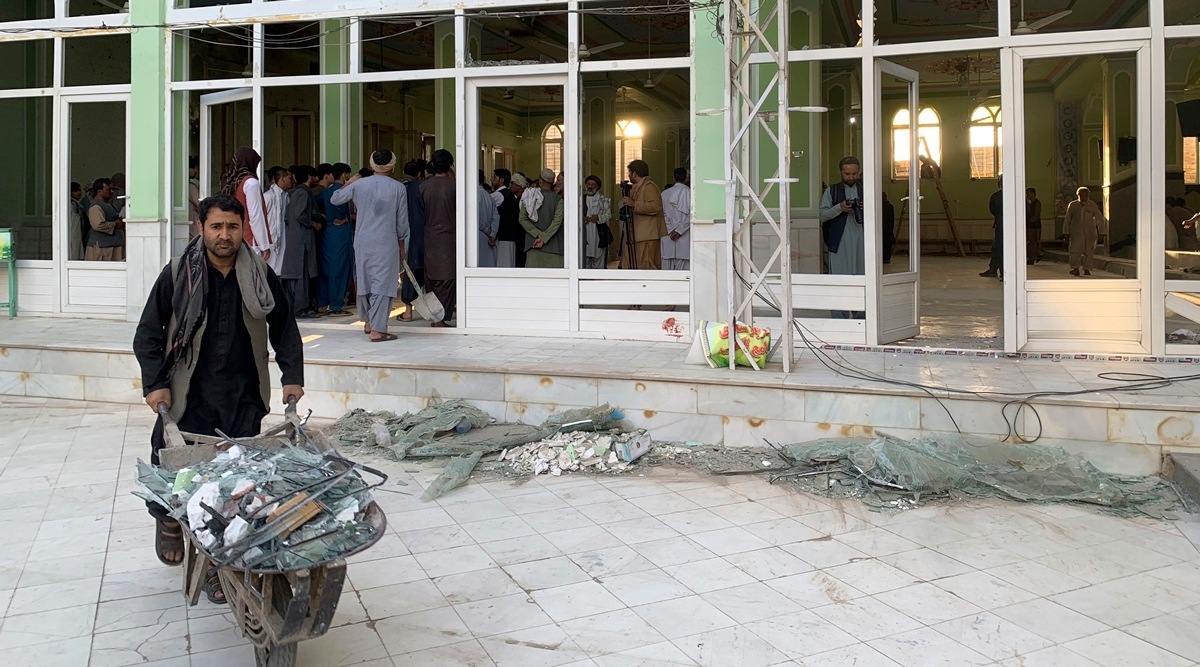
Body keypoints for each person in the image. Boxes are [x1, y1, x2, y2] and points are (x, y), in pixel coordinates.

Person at [133, 193, 304, 602]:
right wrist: (155, 383)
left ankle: (218, 565)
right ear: (201, 229)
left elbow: (284, 328)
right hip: (189, 391)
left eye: (232, 227)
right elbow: (148, 334)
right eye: (216, 227)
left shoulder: (260, 273)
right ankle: (168, 520)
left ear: (242, 229)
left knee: (232, 486)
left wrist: (291, 377)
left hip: (243, 392)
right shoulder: (178, 273)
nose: (224, 235)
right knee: (174, 467)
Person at [331, 149, 410, 341]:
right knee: (383, 284)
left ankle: (368, 322)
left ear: (372, 163)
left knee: (364, 281)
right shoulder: (398, 188)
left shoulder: (360, 185)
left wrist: (349, 182)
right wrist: (401, 245)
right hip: (387, 241)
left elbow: (335, 199)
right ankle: (377, 330)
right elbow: (402, 222)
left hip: (362, 241)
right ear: (392, 164)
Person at [818, 156, 865, 318]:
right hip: (838, 245)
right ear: (841, 173)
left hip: (863, 245)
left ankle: (862, 321)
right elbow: (822, 215)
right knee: (839, 282)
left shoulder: (867, 189)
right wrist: (839, 208)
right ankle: (839, 320)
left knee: (862, 281)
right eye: (847, 174)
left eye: (854, 173)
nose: (851, 177)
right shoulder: (831, 191)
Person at [421, 149, 457, 327]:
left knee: (432, 278)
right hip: (449, 238)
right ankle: (440, 319)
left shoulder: (424, 186)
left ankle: (435, 317)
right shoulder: (454, 186)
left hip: (428, 237)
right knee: (447, 279)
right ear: (450, 165)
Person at [281, 165, 323, 316]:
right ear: (309, 177)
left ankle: (295, 307)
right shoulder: (303, 194)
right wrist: (314, 224)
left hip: (293, 237)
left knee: (295, 274)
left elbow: (287, 217)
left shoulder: (291, 194)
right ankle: (300, 308)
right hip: (303, 239)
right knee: (302, 274)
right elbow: (300, 215)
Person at [218, 147, 271, 259]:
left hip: (233, 236)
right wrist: (263, 244)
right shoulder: (251, 183)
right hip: (249, 239)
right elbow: (255, 216)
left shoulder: (231, 182)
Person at [316, 163, 354, 316]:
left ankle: (322, 303)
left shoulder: (324, 193)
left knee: (325, 268)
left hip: (327, 233)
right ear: (344, 175)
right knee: (340, 268)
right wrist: (347, 220)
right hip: (340, 234)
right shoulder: (344, 192)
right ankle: (336, 305)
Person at [619, 159, 667, 269]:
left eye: (629, 172)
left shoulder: (649, 186)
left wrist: (634, 204)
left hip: (647, 237)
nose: (628, 175)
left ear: (634, 173)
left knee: (646, 267)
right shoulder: (637, 187)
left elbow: (656, 207)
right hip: (637, 235)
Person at [397, 159, 427, 321]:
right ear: (420, 174)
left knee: (409, 271)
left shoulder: (395, 186)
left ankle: (408, 311)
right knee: (418, 270)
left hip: (401, 234)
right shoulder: (421, 187)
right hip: (420, 234)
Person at [519, 168, 566, 268]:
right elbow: (557, 222)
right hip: (554, 248)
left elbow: (522, 219)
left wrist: (537, 234)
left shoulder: (529, 196)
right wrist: (544, 238)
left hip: (533, 245)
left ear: (540, 181)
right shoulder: (559, 200)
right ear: (552, 182)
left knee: (535, 281)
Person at [1064, 186, 1106, 276]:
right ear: (1078, 195)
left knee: (1089, 251)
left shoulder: (1092, 205)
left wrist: (1101, 232)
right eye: (1082, 195)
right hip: (1076, 232)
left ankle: (1087, 269)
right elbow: (1067, 219)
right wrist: (1066, 232)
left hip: (1090, 233)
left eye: (1086, 195)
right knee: (1075, 251)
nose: (1084, 197)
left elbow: (1099, 218)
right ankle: (1075, 268)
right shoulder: (1073, 205)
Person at [85, 178, 126, 261]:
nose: (111, 192)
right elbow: (98, 225)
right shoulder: (96, 206)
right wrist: (115, 224)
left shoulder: (107, 204)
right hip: (103, 249)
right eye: (108, 189)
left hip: (112, 245)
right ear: (99, 191)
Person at [261, 166, 293, 276]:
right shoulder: (268, 196)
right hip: (269, 239)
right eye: (289, 178)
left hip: (282, 239)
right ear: (283, 179)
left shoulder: (286, 197)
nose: (292, 181)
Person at [660, 167, 691, 271]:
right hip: (684, 237)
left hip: (668, 236)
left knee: (667, 274)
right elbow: (691, 215)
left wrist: (671, 229)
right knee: (683, 274)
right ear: (686, 178)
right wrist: (679, 230)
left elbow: (662, 215)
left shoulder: (664, 194)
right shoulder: (691, 194)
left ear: (674, 178)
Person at [495, 170, 526, 268]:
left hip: (516, 237)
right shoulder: (515, 198)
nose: (510, 185)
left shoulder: (524, 200)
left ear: (519, 185)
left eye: (513, 183)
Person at [583, 175, 611, 270]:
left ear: (597, 186)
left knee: (598, 262)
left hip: (598, 234)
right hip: (585, 233)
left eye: (592, 185)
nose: (590, 187)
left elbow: (608, 215)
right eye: (588, 184)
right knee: (584, 262)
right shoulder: (580, 199)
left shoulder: (603, 199)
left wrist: (598, 217)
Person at [980, 175, 1003, 279]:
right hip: (1014, 226)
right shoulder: (1018, 195)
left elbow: (992, 210)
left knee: (1000, 248)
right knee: (998, 247)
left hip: (1000, 224)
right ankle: (994, 269)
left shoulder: (996, 196)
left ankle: (1002, 271)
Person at [477, 170, 500, 268]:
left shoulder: (471, 195)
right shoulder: (489, 197)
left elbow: (475, 217)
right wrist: (493, 234)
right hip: (489, 238)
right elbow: (496, 216)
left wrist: (486, 231)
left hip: (478, 235)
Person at [69, 181, 87, 258]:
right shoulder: (69, 204)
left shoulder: (78, 204)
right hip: (72, 233)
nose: (79, 192)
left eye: (80, 190)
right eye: (76, 191)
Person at [1026, 187, 1043, 265]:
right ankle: (1036, 254)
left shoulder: (1037, 203)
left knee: (1033, 241)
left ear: (1033, 194)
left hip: (1034, 225)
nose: (1027, 195)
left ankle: (1034, 256)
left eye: (1028, 193)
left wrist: (1030, 220)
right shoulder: (1030, 203)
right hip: (1030, 224)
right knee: (1031, 241)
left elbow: (1036, 215)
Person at [881, 192, 896, 264]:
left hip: (882, 228)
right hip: (888, 228)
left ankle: (883, 258)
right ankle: (886, 258)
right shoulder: (890, 206)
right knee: (887, 243)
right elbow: (892, 219)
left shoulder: (878, 206)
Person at [188, 156, 201, 231]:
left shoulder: (191, 184)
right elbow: (199, 203)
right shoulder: (191, 185)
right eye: (194, 168)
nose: (196, 171)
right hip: (193, 221)